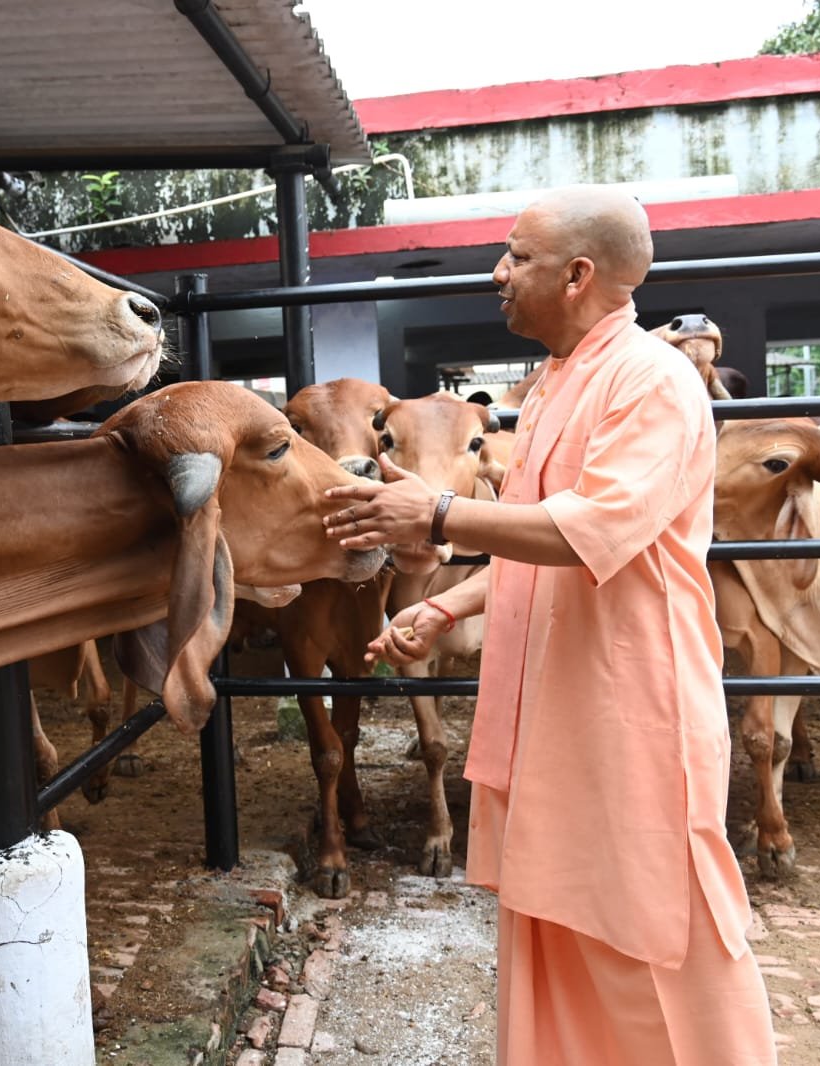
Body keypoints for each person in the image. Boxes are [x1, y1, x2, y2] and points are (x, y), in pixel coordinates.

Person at [322, 185, 776, 1065]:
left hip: (627, 709)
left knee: (659, 935)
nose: (497, 273)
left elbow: (596, 528)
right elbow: (536, 538)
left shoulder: (652, 382)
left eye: (515, 257)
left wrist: (438, 515)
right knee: (555, 932)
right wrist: (446, 601)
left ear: (576, 275)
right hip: (550, 710)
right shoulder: (554, 384)